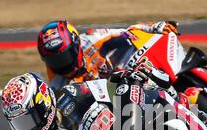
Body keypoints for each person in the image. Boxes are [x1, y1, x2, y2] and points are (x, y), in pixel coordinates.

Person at [37, 20, 179, 91]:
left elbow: (128, 32)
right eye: (54, 60)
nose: (62, 64)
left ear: (76, 45)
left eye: (64, 56)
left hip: (126, 76)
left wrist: (153, 28)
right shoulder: (57, 82)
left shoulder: (93, 39)